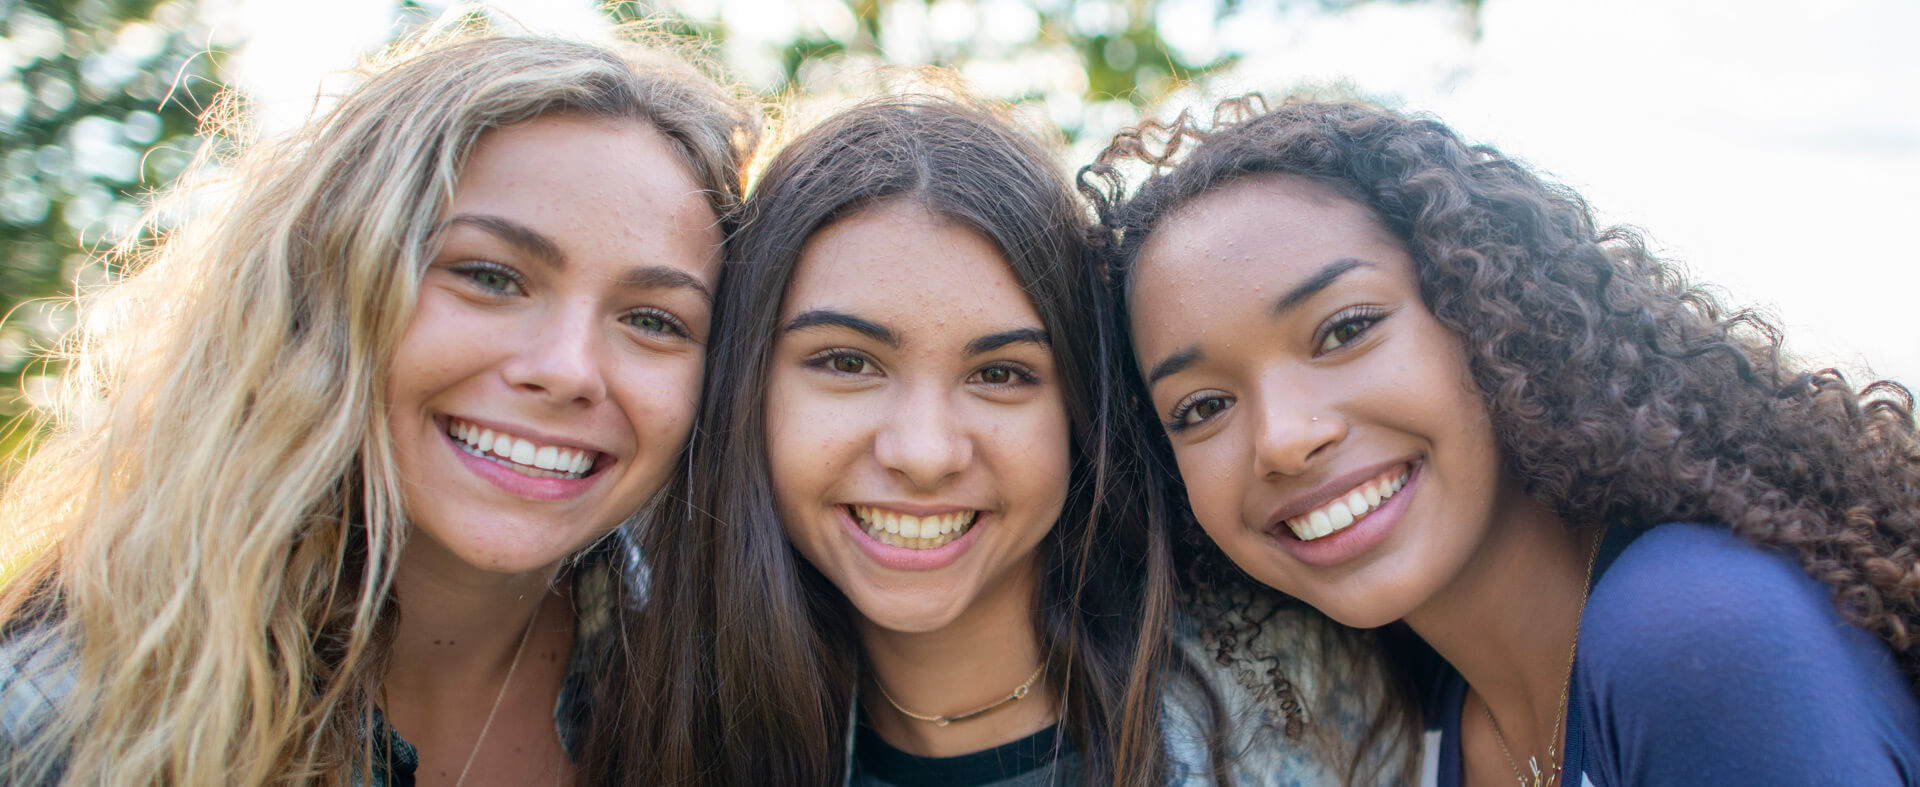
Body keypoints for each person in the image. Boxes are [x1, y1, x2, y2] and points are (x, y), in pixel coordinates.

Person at [1082, 95, 1920, 786]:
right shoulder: (1446, 715)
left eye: (1345, 329)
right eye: (1200, 407)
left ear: (1493, 319)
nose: (1284, 439)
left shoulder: (1695, 633)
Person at [0, 31, 755, 785]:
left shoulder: (738, 707)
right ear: (324, 293)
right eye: (490, 277)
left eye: (654, 320)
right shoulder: (63, 717)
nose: (566, 371)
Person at [625, 91, 1395, 787]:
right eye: (847, 362)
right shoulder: (627, 700)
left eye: (1000, 373)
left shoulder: (1298, 700)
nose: (925, 453)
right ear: (745, 388)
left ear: (1079, 411)